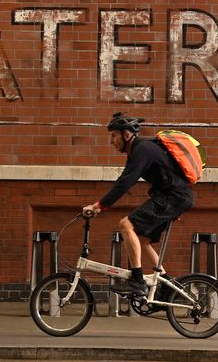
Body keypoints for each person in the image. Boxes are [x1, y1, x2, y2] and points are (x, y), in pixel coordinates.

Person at [83, 112, 194, 296]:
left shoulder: (142, 150)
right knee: (142, 240)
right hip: (174, 197)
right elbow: (124, 180)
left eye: (114, 135)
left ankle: (137, 281)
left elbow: (125, 182)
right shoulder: (140, 150)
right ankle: (166, 286)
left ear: (126, 135)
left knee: (126, 225)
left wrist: (98, 206)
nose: (111, 141)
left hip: (173, 197)